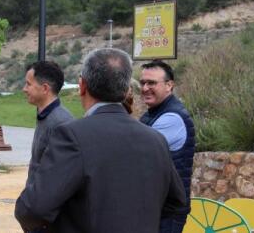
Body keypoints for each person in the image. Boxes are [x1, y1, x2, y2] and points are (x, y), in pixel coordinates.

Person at [14, 48, 186, 233]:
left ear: (82, 86)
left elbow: (32, 209)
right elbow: (177, 204)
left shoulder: (72, 136)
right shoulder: (156, 139)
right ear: (126, 89)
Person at [139, 60, 195, 233]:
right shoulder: (154, 113)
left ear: (169, 85)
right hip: (159, 208)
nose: (145, 88)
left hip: (167, 212)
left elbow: (137, 155)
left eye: (152, 83)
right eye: (143, 83)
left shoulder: (171, 118)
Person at [22, 61, 74, 190]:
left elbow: (61, 179)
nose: (24, 89)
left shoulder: (61, 124)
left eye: (28, 84)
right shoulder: (45, 116)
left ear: (45, 88)